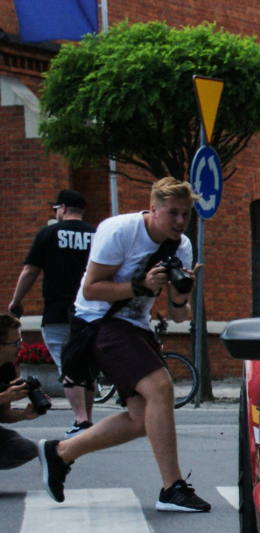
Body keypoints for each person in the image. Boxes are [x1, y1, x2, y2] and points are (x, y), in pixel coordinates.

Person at [36, 177, 211, 512]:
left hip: (135, 326)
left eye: (185, 215)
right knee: (161, 388)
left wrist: (182, 295)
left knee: (142, 417)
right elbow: (90, 289)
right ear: (154, 208)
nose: (178, 221)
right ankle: (172, 488)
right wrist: (140, 285)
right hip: (97, 321)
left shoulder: (182, 246)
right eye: (172, 213)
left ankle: (60, 453)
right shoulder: (119, 231)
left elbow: (178, 317)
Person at [8, 189, 96, 436]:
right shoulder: (96, 235)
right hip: (91, 311)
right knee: (86, 365)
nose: (56, 212)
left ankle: (80, 420)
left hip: (58, 311)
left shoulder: (48, 234)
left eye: (56, 208)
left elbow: (29, 271)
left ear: (64, 208)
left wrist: (16, 301)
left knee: (67, 364)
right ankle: (87, 419)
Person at [0, 314, 39, 471]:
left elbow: (3, 415)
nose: (21, 347)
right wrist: (6, 395)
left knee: (27, 448)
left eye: (20, 342)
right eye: (16, 343)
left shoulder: (7, 369)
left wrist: (24, 414)